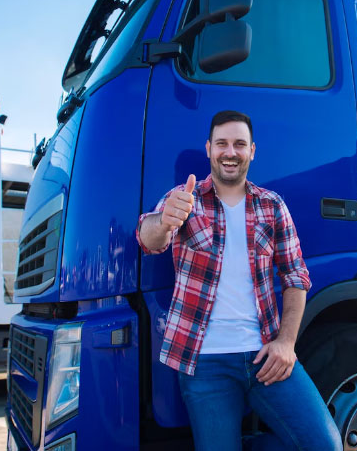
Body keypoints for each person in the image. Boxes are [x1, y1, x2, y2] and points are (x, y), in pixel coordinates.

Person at [136, 110, 341, 451]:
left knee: (325, 445)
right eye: (222, 144)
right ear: (209, 149)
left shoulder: (272, 205)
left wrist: (286, 343)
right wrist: (164, 221)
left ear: (252, 151)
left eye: (239, 144)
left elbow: (295, 275)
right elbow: (148, 240)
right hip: (203, 362)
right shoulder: (183, 198)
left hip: (265, 356)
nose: (230, 152)